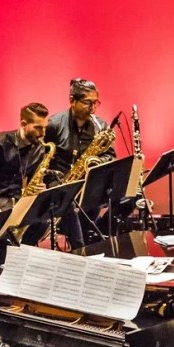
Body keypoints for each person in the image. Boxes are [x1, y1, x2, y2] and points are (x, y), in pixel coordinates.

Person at [46, 79, 115, 247]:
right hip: (59, 182)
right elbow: (42, 158)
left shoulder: (100, 127)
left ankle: (92, 240)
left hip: (87, 181)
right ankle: (79, 248)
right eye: (87, 103)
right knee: (69, 206)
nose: (92, 108)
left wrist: (96, 162)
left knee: (109, 197)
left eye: (95, 103)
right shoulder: (53, 124)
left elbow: (110, 156)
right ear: (72, 100)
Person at [0, 103, 52, 206]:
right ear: (23, 124)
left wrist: (40, 188)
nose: (43, 133)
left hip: (20, 200)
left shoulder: (39, 148)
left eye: (45, 127)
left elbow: (32, 182)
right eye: (38, 128)